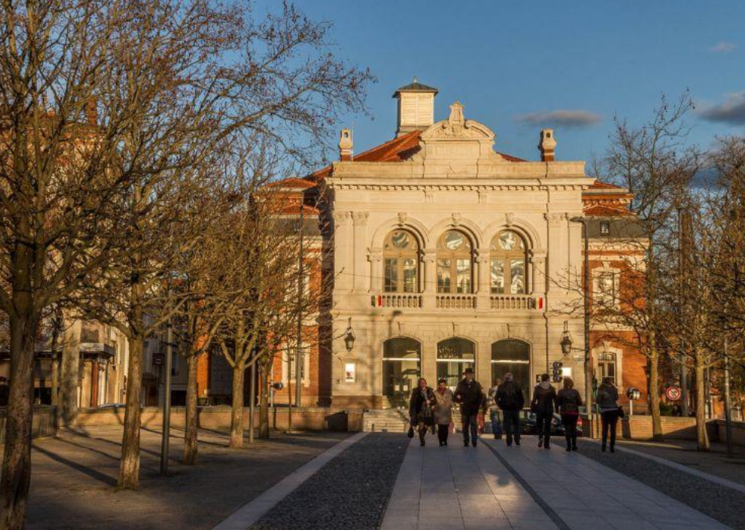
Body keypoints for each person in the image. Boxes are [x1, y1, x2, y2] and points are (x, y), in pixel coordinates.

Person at [455, 367, 484, 447]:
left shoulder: (476, 384)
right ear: (465, 375)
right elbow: (456, 394)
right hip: (464, 408)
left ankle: (474, 440)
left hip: (473, 408)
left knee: (473, 424)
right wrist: (459, 401)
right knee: (465, 425)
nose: (469, 376)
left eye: (470, 374)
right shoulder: (461, 384)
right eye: (467, 374)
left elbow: (480, 396)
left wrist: (478, 404)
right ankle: (466, 440)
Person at [497, 372, 525, 447]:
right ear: (511, 378)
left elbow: (497, 398)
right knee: (516, 425)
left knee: (508, 425)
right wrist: (520, 406)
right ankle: (517, 439)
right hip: (515, 408)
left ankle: (509, 440)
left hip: (506, 408)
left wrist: (501, 405)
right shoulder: (516, 386)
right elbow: (521, 397)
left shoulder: (501, 386)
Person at [556, 377, 583, 452]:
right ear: (571, 384)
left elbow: (557, 402)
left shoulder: (561, 392)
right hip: (574, 412)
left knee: (567, 429)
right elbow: (580, 402)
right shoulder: (575, 392)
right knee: (573, 428)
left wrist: (559, 407)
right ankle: (574, 445)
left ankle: (568, 446)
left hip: (565, 412)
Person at [531, 373, 557, 449]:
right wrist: (557, 409)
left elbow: (534, 400)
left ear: (541, 379)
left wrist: (533, 408)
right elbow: (555, 400)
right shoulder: (552, 389)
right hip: (549, 409)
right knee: (548, 427)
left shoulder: (537, 388)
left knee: (539, 425)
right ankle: (547, 444)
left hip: (540, 409)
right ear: (548, 379)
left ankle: (540, 437)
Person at [409, 378, 436, 447]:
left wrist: (430, 402)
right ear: (419, 384)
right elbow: (412, 402)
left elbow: (435, 400)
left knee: (426, 427)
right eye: (421, 383)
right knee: (421, 426)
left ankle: (422, 437)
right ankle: (422, 441)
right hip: (420, 411)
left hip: (428, 412)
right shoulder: (416, 391)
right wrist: (411, 412)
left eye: (424, 382)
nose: (422, 384)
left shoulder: (430, 390)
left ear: (426, 383)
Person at [597, 377, 620, 453]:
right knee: (613, 429)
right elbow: (616, 398)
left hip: (605, 410)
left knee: (605, 429)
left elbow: (597, 400)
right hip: (614, 410)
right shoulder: (614, 389)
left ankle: (603, 445)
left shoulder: (601, 390)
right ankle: (612, 446)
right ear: (611, 382)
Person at [433, 378, 454, 446]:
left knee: (445, 428)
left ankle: (445, 440)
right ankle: (440, 441)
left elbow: (452, 400)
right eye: (440, 384)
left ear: (445, 385)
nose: (442, 386)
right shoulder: (435, 392)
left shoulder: (449, 392)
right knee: (440, 428)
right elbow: (433, 401)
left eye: (443, 384)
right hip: (438, 412)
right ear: (438, 385)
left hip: (446, 412)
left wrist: (450, 404)